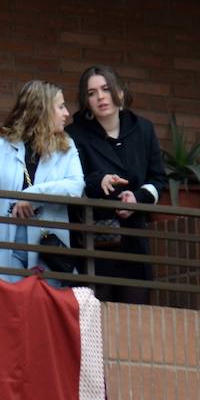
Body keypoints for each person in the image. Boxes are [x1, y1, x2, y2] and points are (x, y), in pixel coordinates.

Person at [0, 80, 85, 282]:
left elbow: (76, 186)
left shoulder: (66, 146)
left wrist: (32, 196)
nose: (67, 113)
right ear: (41, 110)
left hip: (47, 248)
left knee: (43, 309)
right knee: (7, 308)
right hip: (1, 246)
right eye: (61, 106)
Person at [65, 65, 165, 304]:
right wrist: (98, 181)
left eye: (106, 89)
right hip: (94, 244)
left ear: (120, 92)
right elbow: (72, 180)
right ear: (85, 100)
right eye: (91, 93)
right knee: (94, 327)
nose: (100, 97)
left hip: (133, 242)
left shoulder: (143, 129)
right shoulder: (74, 134)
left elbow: (158, 178)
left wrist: (137, 198)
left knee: (134, 324)